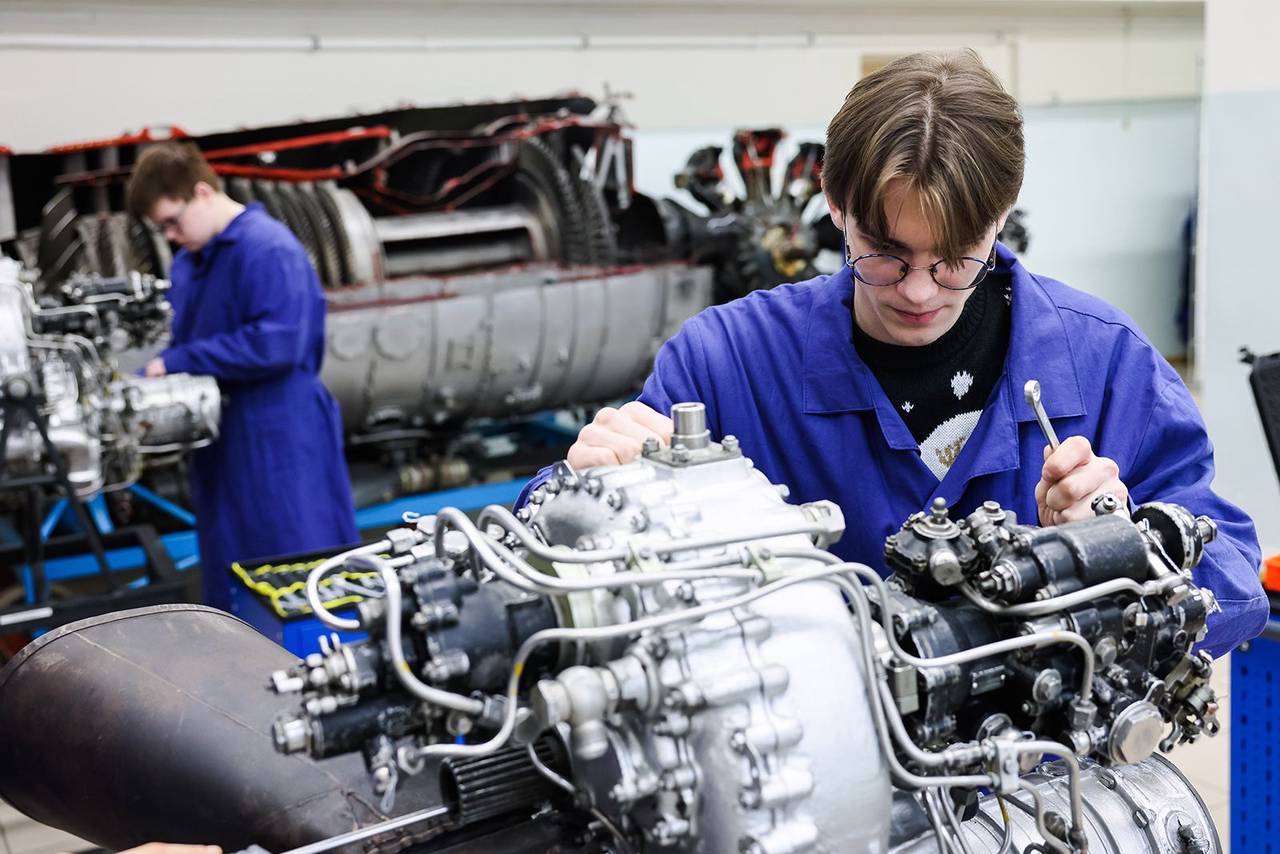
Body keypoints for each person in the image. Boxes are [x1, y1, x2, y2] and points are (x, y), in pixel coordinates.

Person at [519, 50, 1266, 658]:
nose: (917, 291)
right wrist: (576, 484)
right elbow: (539, 553)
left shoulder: (1104, 363)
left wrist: (1120, 547)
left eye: (956, 259)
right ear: (835, 205)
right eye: (884, 252)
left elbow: (1234, 584)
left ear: (1002, 217)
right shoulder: (727, 363)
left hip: (1044, 775)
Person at [126, 143, 359, 611]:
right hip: (224, 438)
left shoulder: (267, 248)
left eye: (173, 221)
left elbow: (278, 343)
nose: (170, 236)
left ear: (202, 193)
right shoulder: (192, 261)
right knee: (233, 581)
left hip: (278, 433)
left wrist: (177, 362)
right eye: (161, 228)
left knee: (297, 572)